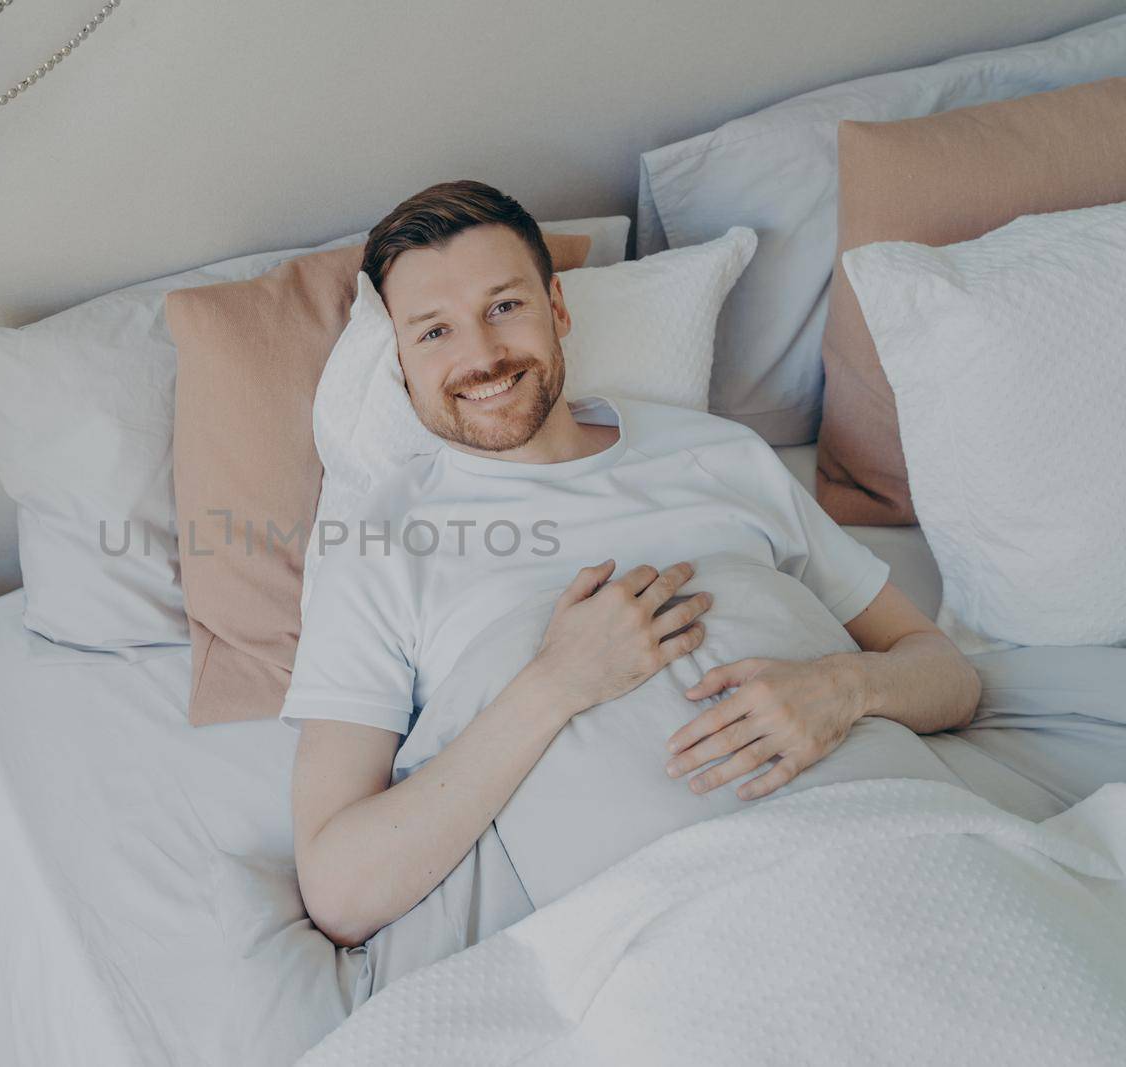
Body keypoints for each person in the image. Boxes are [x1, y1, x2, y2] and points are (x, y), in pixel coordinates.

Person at [282, 180, 982, 951]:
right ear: (403, 364)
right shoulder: (379, 542)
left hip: (885, 841)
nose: (480, 356)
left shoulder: (719, 455)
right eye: (434, 332)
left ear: (558, 307)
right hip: (664, 927)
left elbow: (948, 674)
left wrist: (845, 689)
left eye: (504, 307)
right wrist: (556, 683)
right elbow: (341, 888)